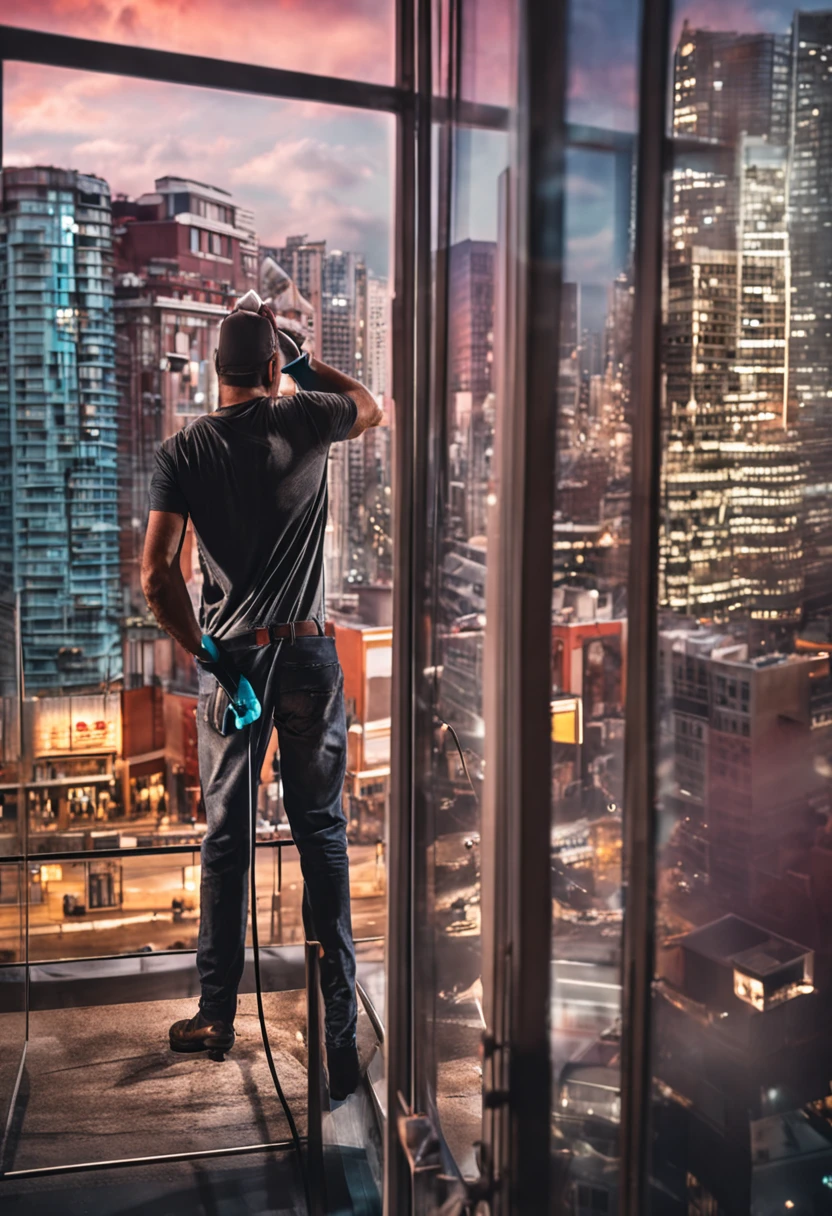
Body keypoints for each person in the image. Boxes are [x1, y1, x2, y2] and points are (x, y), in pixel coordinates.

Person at [140, 291, 381, 1098]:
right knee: (323, 837)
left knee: (226, 840)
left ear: (217, 372)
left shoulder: (183, 450)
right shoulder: (305, 417)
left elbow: (155, 577)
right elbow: (369, 407)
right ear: (274, 368)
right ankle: (339, 1039)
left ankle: (216, 1016)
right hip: (309, 657)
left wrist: (208, 656)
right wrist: (305, 358)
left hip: (235, 664)